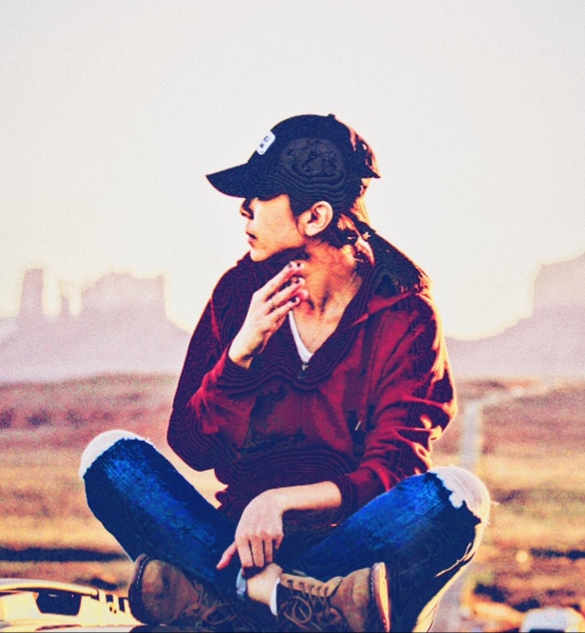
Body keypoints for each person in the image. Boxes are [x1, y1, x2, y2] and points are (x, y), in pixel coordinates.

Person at [79, 114, 490, 633]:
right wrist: (238, 357)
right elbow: (192, 446)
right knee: (111, 461)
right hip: (237, 543)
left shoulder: (404, 313)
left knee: (457, 498)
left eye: (261, 194)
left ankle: (235, 604)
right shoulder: (238, 295)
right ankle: (296, 602)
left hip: (353, 546)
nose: (244, 208)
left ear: (315, 216)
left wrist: (280, 502)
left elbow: (395, 469)